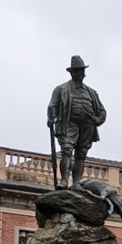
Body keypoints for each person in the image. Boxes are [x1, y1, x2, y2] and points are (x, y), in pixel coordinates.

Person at [47, 55, 107, 189]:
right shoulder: (61, 89)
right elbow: (53, 106)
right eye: (77, 70)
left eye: (82, 70)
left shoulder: (91, 93)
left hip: (87, 126)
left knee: (81, 154)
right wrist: (51, 117)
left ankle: (76, 183)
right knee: (67, 150)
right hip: (69, 123)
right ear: (72, 72)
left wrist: (98, 120)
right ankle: (63, 180)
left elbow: (102, 111)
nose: (80, 73)